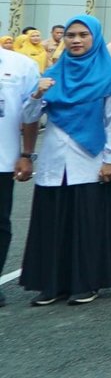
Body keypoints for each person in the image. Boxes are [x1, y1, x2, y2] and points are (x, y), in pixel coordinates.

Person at [16, 15, 111, 306]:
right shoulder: (54, 73)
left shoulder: (108, 74)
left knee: (86, 224)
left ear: (95, 38)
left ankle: (86, 283)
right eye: (70, 35)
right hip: (55, 160)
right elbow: (29, 118)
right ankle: (52, 285)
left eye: (83, 35)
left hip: (91, 160)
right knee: (53, 224)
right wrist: (37, 95)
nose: (76, 40)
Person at [0, 35, 40, 306]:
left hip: (3, 159)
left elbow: (31, 114)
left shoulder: (21, 65)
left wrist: (26, 154)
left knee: (0, 223)